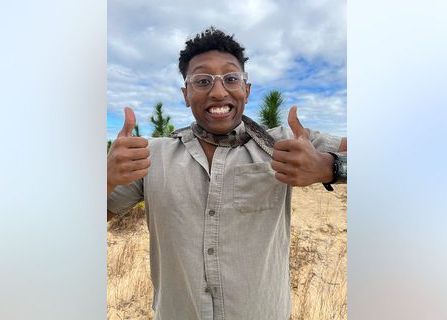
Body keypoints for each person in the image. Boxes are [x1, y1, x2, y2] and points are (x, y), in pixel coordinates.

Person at [107, 26, 347, 320]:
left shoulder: (286, 143)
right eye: (203, 80)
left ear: (246, 89)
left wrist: (329, 166)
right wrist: (106, 179)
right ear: (186, 94)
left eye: (231, 78)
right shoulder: (151, 155)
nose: (218, 92)